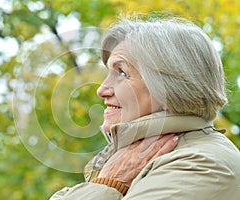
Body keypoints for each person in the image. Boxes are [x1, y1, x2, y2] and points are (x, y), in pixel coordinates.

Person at [50, 16, 240, 199]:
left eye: (122, 73)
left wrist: (108, 184)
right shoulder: (132, 159)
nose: (102, 90)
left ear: (169, 88)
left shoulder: (201, 164)